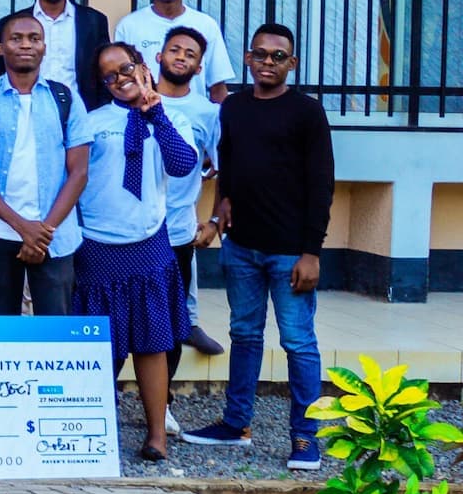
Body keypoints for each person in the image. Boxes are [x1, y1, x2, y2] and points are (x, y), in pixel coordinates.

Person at [183, 24, 335, 471]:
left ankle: (306, 438)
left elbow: (321, 184)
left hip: (291, 253)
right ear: (248, 59)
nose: (268, 63)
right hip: (242, 246)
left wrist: (312, 253)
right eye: (261, 55)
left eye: (278, 56)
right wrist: (220, 210)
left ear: (292, 63)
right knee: (244, 335)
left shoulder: (306, 112)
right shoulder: (232, 107)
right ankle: (236, 424)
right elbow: (228, 165)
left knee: (298, 342)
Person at [72, 42, 199, 462]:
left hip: (148, 244)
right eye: (110, 75)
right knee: (98, 344)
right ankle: (94, 428)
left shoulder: (170, 116)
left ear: (143, 67)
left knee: (152, 342)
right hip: (98, 244)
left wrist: (154, 113)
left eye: (126, 68)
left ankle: (157, 433)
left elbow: (182, 164)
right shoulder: (92, 122)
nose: (121, 78)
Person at [0, 12, 88, 318]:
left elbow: (79, 172)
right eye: (16, 38)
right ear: (0, 47)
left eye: (34, 39)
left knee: (55, 329)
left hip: (55, 234)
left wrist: (42, 231)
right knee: (2, 330)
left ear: (44, 47)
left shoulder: (66, 98)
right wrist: (24, 228)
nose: (26, 45)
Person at [153, 26, 224, 393]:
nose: (181, 56)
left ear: (199, 68)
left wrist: (214, 220)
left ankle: (162, 404)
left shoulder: (208, 113)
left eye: (190, 54)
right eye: (174, 50)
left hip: (178, 232)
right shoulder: (138, 100)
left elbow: (225, 168)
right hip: (130, 233)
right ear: (158, 57)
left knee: (171, 321)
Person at [117, 0, 234, 104]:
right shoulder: (129, 26)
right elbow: (121, 82)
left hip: (195, 121)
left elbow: (218, 87)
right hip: (146, 120)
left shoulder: (206, 25)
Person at [28, 0, 111, 109]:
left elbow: (105, 71)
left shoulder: (94, 21)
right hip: (30, 111)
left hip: (81, 114)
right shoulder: (16, 22)